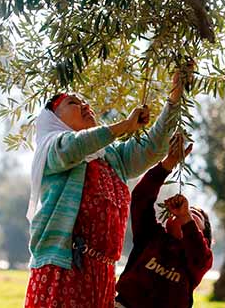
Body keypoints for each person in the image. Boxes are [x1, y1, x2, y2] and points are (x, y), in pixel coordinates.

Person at [24, 71, 188, 308]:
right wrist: (125, 125)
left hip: (101, 274)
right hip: (64, 268)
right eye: (73, 103)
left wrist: (175, 96)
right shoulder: (52, 149)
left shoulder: (110, 155)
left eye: (83, 101)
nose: (84, 105)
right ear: (55, 120)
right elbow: (73, 146)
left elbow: (151, 148)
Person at [115, 133, 213, 308]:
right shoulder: (151, 236)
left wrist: (185, 217)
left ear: (204, 238)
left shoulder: (198, 261)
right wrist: (168, 163)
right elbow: (141, 197)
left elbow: (199, 255)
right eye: (187, 212)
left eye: (195, 215)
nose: (186, 212)